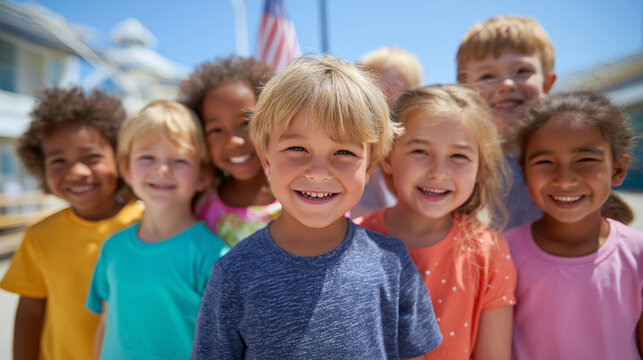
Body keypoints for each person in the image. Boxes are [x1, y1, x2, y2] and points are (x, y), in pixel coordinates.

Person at [191, 55, 442, 359]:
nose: (319, 172)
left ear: (370, 167)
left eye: (344, 152)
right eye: (297, 148)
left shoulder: (393, 264)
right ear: (266, 157)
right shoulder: (233, 275)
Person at [357, 85, 516, 360]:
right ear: (388, 157)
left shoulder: (489, 252)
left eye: (459, 156)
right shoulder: (353, 240)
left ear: (480, 168)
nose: (438, 173)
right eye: (420, 151)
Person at [0, 87, 144, 360]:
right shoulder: (40, 236)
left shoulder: (149, 226)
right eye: (58, 161)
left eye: (92, 158)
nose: (77, 172)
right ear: (39, 166)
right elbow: (30, 312)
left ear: (120, 156)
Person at [86, 101, 228, 359]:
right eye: (147, 157)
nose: (162, 170)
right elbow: (105, 324)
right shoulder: (113, 248)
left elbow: (222, 344)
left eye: (180, 160)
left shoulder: (213, 256)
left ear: (202, 175)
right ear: (126, 170)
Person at [505, 91, 642, 360]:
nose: (565, 180)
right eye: (544, 162)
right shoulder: (502, 254)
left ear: (617, 170)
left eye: (586, 160)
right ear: (525, 172)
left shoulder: (638, 255)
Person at [456, 15, 557, 230]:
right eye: (487, 76)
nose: (507, 84)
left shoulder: (567, 150)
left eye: (522, 71)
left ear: (548, 83)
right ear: (466, 90)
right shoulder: (462, 156)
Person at [179, 56, 280, 247]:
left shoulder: (296, 193)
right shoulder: (200, 206)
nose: (233, 140)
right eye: (216, 130)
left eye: (245, 123)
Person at [352, 46, 424, 219]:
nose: (383, 96)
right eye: (374, 88)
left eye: (394, 88)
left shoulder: (418, 145)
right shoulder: (356, 143)